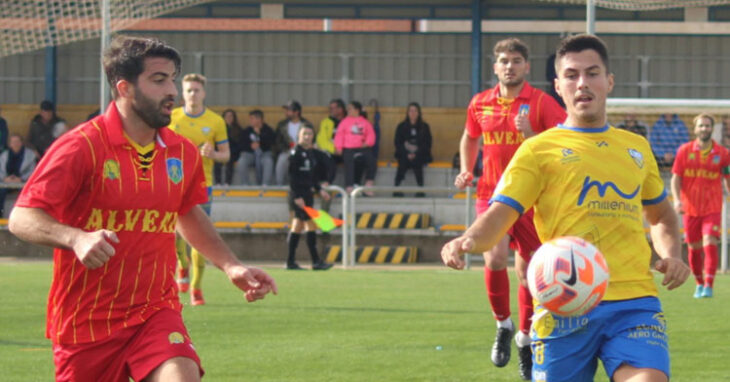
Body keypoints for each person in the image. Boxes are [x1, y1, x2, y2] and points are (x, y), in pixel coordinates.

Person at [8, 35, 276, 382]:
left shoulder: (182, 152)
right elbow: (21, 216)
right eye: (159, 80)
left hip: (155, 311)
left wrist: (231, 265)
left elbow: (186, 211)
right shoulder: (80, 147)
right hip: (86, 322)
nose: (173, 91)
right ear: (125, 88)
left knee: (183, 375)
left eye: (173, 79)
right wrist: (75, 238)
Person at [443, 34, 690, 382]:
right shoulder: (536, 150)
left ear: (609, 82)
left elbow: (661, 215)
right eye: (572, 75)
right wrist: (466, 240)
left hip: (634, 303)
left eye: (592, 73)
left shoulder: (636, 148)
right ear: (558, 86)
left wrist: (672, 255)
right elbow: (501, 213)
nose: (582, 83)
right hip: (564, 304)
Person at [453, 37, 566, 380]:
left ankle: (525, 338)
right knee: (494, 257)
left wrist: (531, 134)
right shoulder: (480, 103)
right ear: (495, 67)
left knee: (528, 272)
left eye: (516, 60)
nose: (510, 66)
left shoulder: (542, 102)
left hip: (531, 198)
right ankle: (503, 324)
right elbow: (470, 136)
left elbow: (563, 140)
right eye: (504, 60)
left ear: (526, 67)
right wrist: (466, 167)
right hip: (492, 194)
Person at [169, 73, 230, 306]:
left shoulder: (215, 122)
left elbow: (226, 155)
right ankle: (182, 267)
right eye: (189, 90)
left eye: (196, 90)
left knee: (199, 238)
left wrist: (213, 154)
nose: (193, 94)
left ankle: (196, 288)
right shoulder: (172, 118)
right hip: (174, 184)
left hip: (202, 185)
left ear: (203, 93)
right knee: (174, 237)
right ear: (182, 94)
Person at [670, 113, 730, 299]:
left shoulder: (723, 154)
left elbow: (727, 178)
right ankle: (699, 283)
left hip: (712, 207)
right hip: (690, 208)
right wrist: (677, 200)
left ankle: (709, 286)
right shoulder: (684, 151)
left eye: (707, 126)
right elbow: (675, 179)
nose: (704, 129)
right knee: (694, 248)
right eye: (701, 126)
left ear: (712, 129)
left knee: (709, 242)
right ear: (695, 129)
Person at [286, 124, 334, 271]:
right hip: (299, 195)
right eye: (304, 134)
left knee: (297, 226)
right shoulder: (295, 153)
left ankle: (290, 262)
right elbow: (291, 177)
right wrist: (297, 196)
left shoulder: (311, 154)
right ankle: (315, 261)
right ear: (299, 136)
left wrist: (320, 190)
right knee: (309, 225)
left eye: (310, 134)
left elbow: (311, 178)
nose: (307, 136)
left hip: (308, 194)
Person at [334, 101, 376, 194]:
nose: (347, 110)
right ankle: (349, 186)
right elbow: (339, 135)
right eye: (347, 109)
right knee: (349, 163)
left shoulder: (365, 122)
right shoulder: (344, 122)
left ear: (357, 110)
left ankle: (369, 184)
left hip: (362, 147)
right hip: (348, 148)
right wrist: (339, 147)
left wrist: (367, 143)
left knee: (371, 160)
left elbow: (371, 135)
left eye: (350, 108)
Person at [393, 102, 432, 197]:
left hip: (420, 154)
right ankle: (397, 188)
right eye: (410, 111)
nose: (413, 113)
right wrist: (407, 153)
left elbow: (428, 143)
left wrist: (416, 153)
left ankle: (420, 189)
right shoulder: (401, 126)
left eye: (415, 111)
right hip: (404, 154)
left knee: (417, 160)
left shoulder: (424, 127)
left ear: (418, 113)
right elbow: (397, 143)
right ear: (407, 112)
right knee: (402, 161)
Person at [273, 100, 315, 185]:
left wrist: (300, 147)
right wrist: (287, 149)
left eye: (289, 110)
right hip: (286, 151)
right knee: (282, 159)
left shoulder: (306, 124)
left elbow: (312, 140)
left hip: (303, 151)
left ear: (296, 112)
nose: (286, 113)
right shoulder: (282, 125)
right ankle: (279, 186)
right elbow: (277, 141)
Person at [0, 134, 36, 216]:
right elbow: (1, 170)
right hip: (6, 182)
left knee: (26, 194)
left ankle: (24, 216)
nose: (15, 143)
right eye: (13, 142)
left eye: (17, 141)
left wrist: (21, 179)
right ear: (10, 144)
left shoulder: (30, 155)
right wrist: (5, 178)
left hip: (23, 182)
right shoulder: (4, 155)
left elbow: (32, 170)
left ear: (21, 143)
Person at [238, 109, 275, 185]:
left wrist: (260, 138)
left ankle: (265, 185)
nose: (250, 121)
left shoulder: (268, 130)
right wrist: (250, 146)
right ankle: (245, 185)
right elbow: (241, 144)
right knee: (241, 161)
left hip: (264, 154)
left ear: (259, 119)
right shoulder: (247, 131)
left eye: (252, 118)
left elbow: (271, 144)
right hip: (250, 155)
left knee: (268, 161)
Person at [316, 98, 346, 183]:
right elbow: (321, 140)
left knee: (354, 159)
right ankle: (326, 184)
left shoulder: (348, 121)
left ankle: (352, 186)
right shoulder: (326, 122)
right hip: (332, 151)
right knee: (326, 160)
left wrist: (342, 149)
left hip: (346, 151)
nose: (331, 110)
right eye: (330, 108)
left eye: (333, 108)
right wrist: (334, 149)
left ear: (341, 109)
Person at [214, 109, 243, 185]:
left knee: (229, 161)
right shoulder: (219, 129)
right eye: (226, 116)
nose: (229, 118)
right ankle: (218, 183)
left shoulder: (238, 129)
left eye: (231, 116)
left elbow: (239, 144)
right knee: (217, 161)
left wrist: (230, 152)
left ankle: (227, 183)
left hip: (233, 153)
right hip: (221, 152)